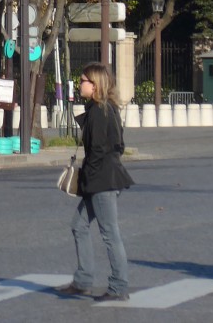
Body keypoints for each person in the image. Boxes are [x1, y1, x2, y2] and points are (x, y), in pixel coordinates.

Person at [55, 62, 134, 302]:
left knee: (109, 233)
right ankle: (83, 281)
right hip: (105, 178)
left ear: (95, 85)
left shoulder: (100, 111)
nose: (80, 84)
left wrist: (86, 180)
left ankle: (119, 286)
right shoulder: (106, 108)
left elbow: (98, 151)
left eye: (83, 81)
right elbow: (119, 145)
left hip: (102, 181)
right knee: (79, 225)